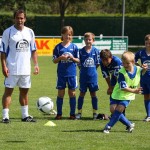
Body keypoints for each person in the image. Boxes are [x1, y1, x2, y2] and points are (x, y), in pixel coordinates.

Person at [0, 9, 39, 123]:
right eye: (17, 18)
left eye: (22, 18)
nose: (19, 20)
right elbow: (2, 51)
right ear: (14, 19)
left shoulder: (30, 32)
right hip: (11, 68)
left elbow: (33, 50)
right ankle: (5, 116)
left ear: (25, 19)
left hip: (26, 68)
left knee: (24, 92)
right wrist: (3, 66)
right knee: (8, 92)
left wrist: (36, 64)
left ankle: (25, 116)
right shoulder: (8, 32)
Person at [103, 51, 147, 133]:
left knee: (119, 109)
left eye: (127, 63)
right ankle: (129, 124)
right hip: (118, 92)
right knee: (113, 110)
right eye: (123, 63)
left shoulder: (137, 69)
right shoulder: (121, 72)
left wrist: (144, 69)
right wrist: (134, 91)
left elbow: (142, 72)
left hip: (127, 95)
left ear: (133, 62)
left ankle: (108, 126)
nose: (125, 65)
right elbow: (123, 88)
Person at [52, 26, 79, 120]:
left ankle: (72, 114)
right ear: (62, 35)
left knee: (72, 93)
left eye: (70, 35)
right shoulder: (58, 47)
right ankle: (59, 114)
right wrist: (60, 58)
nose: (68, 36)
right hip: (61, 74)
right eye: (66, 34)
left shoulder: (74, 47)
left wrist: (72, 58)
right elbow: (54, 60)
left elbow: (78, 60)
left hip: (72, 74)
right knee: (60, 94)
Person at [75, 32, 100, 120]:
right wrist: (84, 70)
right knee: (82, 94)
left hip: (93, 77)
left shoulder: (96, 51)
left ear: (93, 41)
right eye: (86, 39)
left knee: (93, 94)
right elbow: (79, 63)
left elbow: (97, 64)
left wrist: (92, 70)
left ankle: (95, 113)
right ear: (84, 40)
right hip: (83, 77)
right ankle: (79, 113)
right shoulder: (81, 51)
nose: (88, 41)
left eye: (90, 39)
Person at [99, 49, 124, 118]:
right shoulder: (101, 63)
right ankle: (115, 113)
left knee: (120, 95)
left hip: (122, 78)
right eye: (103, 60)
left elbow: (118, 77)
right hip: (114, 77)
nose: (105, 62)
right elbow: (106, 76)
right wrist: (110, 87)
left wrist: (115, 88)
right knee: (112, 94)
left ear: (111, 57)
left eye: (107, 60)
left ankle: (121, 113)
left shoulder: (116, 61)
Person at [135, 34, 150, 122]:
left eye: (149, 43)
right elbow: (133, 60)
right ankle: (148, 115)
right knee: (146, 96)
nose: (148, 44)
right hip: (144, 78)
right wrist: (140, 66)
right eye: (146, 43)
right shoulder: (141, 52)